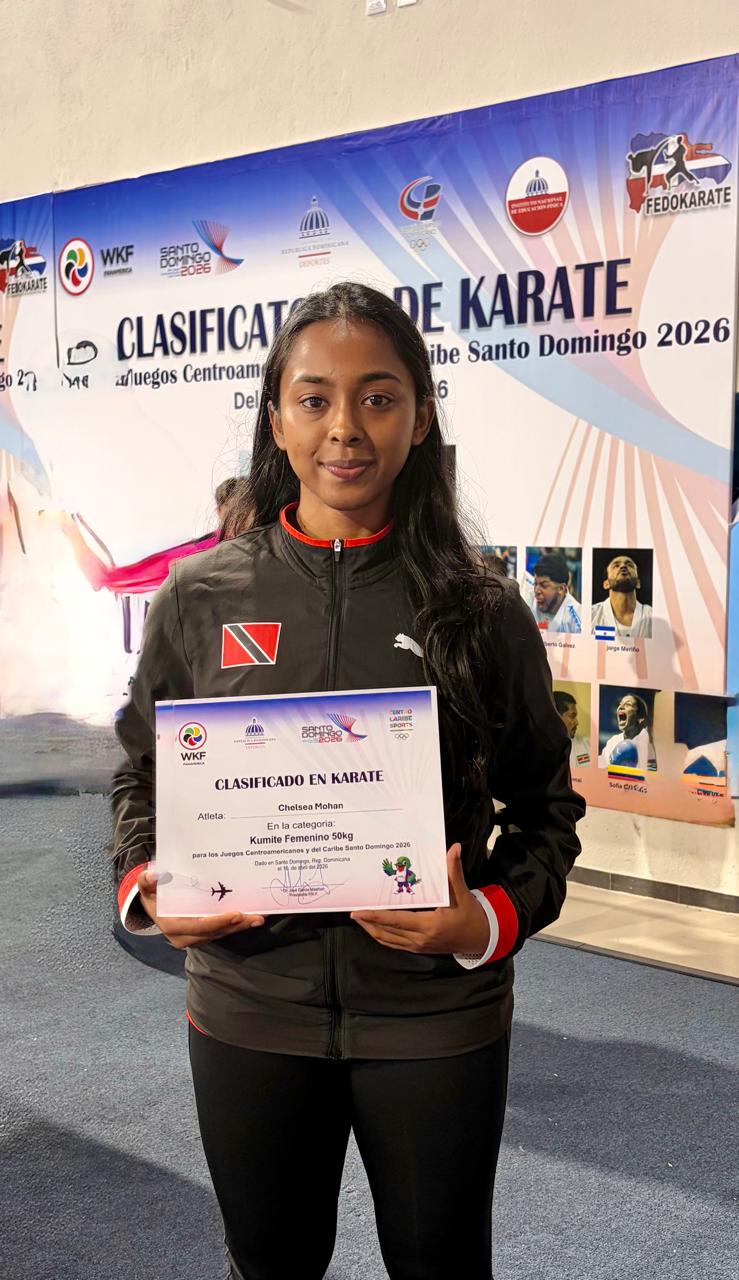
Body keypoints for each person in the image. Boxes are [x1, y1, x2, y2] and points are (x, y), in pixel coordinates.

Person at [111, 282, 584, 1280]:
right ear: (276, 416)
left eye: (377, 396)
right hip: (250, 1004)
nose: (345, 428)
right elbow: (143, 774)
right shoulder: (201, 593)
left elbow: (546, 808)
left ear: (420, 414)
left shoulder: (478, 606)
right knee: (269, 1264)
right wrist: (150, 886)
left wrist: (484, 919)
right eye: (315, 398)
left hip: (434, 1015)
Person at [592, 553, 653, 639]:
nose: (623, 566)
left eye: (629, 565)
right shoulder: (591, 615)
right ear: (606, 584)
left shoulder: (652, 615)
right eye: (616, 565)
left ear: (638, 583)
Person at [598, 693, 657, 771]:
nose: (621, 707)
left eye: (628, 704)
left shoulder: (648, 742)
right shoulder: (612, 741)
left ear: (640, 718)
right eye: (620, 704)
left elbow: (652, 773)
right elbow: (598, 767)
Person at [526, 551, 581, 633]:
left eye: (544, 585)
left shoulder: (576, 620)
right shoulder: (527, 596)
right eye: (535, 583)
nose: (536, 590)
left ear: (561, 589)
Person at [553, 690, 591, 768]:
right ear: (556, 717)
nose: (577, 722)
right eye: (572, 716)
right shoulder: (537, 750)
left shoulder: (587, 743)